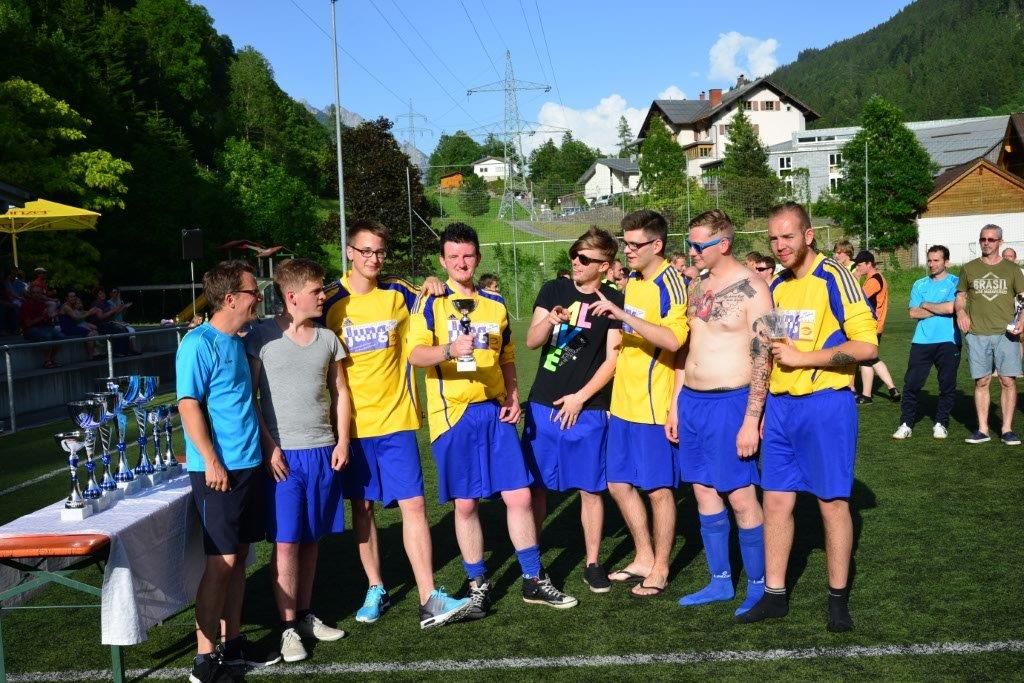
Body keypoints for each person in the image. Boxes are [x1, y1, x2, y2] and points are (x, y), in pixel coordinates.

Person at [408, 223, 577, 618]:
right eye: (453, 256)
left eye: (468, 255)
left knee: (519, 496)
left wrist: (513, 395)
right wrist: (449, 349)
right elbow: (415, 354)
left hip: (495, 410)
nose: (461, 262)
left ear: (478, 257)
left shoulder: (495, 304)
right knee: (466, 504)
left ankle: (533, 578)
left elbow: (507, 358)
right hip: (452, 414)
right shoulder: (429, 302)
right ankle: (477, 584)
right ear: (442, 261)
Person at [320, 219, 472, 629]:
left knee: (415, 505)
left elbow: (433, 298)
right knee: (363, 508)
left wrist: (433, 283)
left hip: (398, 419)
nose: (373, 259)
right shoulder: (330, 300)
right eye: (365, 251)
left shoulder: (399, 291)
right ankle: (375, 587)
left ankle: (428, 595)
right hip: (353, 427)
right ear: (350, 252)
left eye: (380, 252)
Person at [736, 202, 877, 632]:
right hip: (780, 409)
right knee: (776, 501)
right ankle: (775, 595)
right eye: (773, 238)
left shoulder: (835, 276)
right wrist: (756, 410)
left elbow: (867, 346)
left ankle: (837, 599)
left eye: (788, 236)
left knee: (832, 503)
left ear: (809, 235)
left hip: (825, 404)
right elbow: (765, 353)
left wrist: (804, 358)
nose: (780, 245)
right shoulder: (776, 285)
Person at [176, 260, 281, 683]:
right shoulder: (197, 343)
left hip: (248, 464)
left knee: (238, 560)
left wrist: (266, 449)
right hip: (218, 471)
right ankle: (204, 661)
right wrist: (211, 459)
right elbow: (188, 405)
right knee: (221, 563)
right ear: (231, 298)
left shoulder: (236, 342)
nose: (259, 297)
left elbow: (244, 403)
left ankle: (233, 644)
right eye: (254, 291)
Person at [246, 258, 351, 663]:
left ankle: (305, 615)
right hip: (283, 457)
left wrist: (342, 441)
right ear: (292, 296)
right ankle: (287, 628)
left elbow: (341, 392)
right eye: (316, 290)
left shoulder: (327, 338)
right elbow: (250, 398)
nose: (323, 296)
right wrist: (269, 446)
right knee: (287, 543)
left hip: (324, 451)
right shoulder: (261, 336)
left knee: (310, 540)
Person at [669, 209, 772, 616]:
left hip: (732, 402)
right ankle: (720, 581)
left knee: (742, 497)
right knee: (703, 491)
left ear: (724, 244)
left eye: (699, 245)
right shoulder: (696, 285)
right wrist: (676, 404)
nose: (692, 251)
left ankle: (760, 585)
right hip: (692, 402)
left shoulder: (756, 289)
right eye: (690, 244)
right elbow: (687, 350)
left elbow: (764, 356)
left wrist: (751, 418)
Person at [587, 209, 689, 598]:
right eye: (624, 242)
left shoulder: (671, 283)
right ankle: (644, 556)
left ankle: (661, 567)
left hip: (653, 405)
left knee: (658, 490)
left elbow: (675, 341)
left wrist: (619, 313)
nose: (627, 250)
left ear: (657, 245)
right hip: (623, 404)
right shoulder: (633, 280)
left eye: (634, 244)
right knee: (617, 484)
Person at [522, 227, 624, 593]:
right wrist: (550, 321)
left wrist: (580, 397)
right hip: (543, 405)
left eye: (584, 258)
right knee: (536, 490)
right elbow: (531, 341)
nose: (575, 262)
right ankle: (533, 567)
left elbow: (612, 360)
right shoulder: (554, 290)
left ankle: (592, 563)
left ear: (604, 265)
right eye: (574, 255)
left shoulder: (614, 300)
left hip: (588, 408)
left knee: (590, 489)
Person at [955, 224, 1024, 445]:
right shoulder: (969, 268)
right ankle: (983, 430)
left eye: (991, 239)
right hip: (977, 333)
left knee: (1007, 380)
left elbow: (1023, 297)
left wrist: (1022, 319)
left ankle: (1007, 430)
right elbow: (960, 296)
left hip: (1006, 334)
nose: (986, 243)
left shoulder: (1012, 269)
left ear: (1000, 242)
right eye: (983, 239)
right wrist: (960, 312)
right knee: (982, 381)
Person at [893, 246, 960, 439]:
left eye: (936, 260)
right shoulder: (919, 284)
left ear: (946, 262)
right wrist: (940, 308)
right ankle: (906, 424)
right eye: (929, 260)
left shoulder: (956, 282)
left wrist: (927, 305)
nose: (931, 264)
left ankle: (941, 423)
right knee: (912, 384)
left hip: (948, 341)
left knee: (947, 385)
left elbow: (952, 308)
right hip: (921, 341)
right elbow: (913, 312)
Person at [853, 251, 901, 404]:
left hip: (871, 326)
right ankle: (892, 388)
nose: (858, 268)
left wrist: (855, 280)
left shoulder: (874, 280)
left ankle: (866, 396)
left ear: (869, 264)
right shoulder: (876, 278)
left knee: (865, 360)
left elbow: (857, 298)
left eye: (860, 265)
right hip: (874, 325)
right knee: (872, 359)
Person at [20, 285, 63, 368]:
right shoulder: (25, 305)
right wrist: (42, 317)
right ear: (31, 294)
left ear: (41, 294)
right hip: (29, 330)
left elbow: (46, 320)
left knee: (60, 336)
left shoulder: (42, 304)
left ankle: (52, 359)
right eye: (34, 293)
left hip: (43, 327)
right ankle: (47, 361)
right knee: (47, 336)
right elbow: (28, 324)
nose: (36, 294)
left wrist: (52, 316)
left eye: (38, 293)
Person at [57, 290, 101, 360]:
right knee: (90, 334)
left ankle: (95, 353)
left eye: (74, 296)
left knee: (93, 331)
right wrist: (89, 313)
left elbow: (81, 313)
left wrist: (92, 311)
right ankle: (91, 357)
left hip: (74, 327)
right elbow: (76, 318)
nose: (73, 298)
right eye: (71, 297)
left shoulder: (72, 305)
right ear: (67, 298)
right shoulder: (66, 307)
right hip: (68, 329)